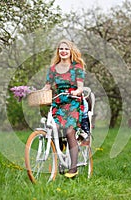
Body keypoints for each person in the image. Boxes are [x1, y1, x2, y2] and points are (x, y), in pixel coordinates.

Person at [42, 39, 85, 178]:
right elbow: (47, 86)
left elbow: (80, 88)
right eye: (61, 49)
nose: (63, 51)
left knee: (69, 131)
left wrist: (75, 92)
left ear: (70, 51)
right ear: (58, 51)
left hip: (73, 101)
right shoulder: (53, 69)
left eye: (66, 49)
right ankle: (60, 160)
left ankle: (73, 168)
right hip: (58, 101)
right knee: (55, 129)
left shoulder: (77, 67)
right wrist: (34, 92)